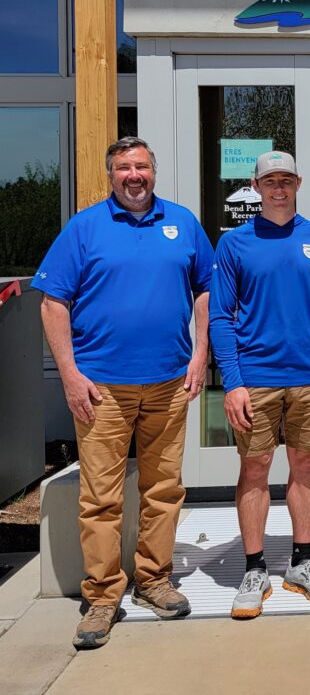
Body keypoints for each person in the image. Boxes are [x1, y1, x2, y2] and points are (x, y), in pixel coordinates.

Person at [32, 137, 212, 649]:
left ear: (154, 171)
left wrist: (201, 355)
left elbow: (205, 289)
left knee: (163, 489)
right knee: (101, 498)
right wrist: (69, 375)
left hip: (169, 383)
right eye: (124, 168)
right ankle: (103, 596)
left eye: (142, 166)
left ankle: (154, 580)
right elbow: (52, 303)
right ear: (111, 175)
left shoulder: (182, 222)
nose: (135, 175)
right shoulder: (85, 227)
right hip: (101, 388)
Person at [209, 151, 310, 620]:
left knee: (304, 465)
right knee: (254, 468)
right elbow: (220, 317)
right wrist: (232, 382)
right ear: (256, 186)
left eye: (286, 180)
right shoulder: (234, 245)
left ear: (298, 183)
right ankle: (254, 568)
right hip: (256, 380)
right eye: (270, 181)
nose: (278, 188)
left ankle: (302, 563)